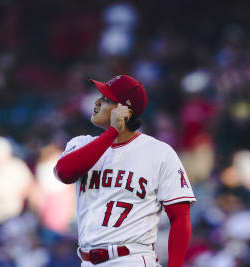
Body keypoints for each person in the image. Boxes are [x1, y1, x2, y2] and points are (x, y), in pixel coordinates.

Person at [54, 75, 196, 267]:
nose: (96, 102)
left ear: (125, 110)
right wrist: (112, 132)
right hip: (88, 261)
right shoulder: (81, 143)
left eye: (105, 99)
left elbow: (180, 216)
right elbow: (64, 173)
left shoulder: (159, 152)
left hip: (132, 258)